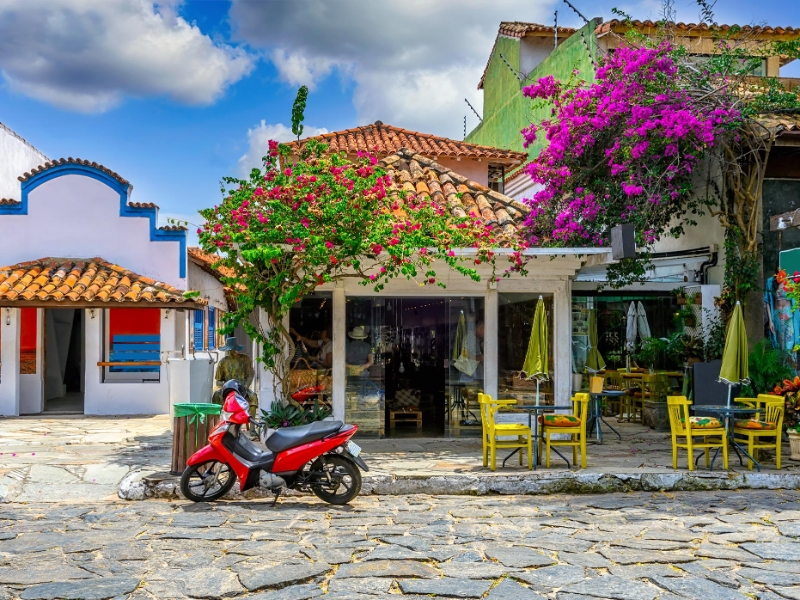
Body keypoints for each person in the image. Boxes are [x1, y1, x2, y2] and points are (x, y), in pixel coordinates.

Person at [212, 337, 259, 435]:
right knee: (216, 396)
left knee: (253, 397)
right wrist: (227, 385)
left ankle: (252, 429)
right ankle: (215, 425)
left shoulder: (245, 360)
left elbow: (250, 374)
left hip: (242, 389)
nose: (231, 352)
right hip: (228, 390)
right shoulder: (223, 362)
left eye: (233, 350)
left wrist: (246, 385)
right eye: (229, 350)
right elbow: (218, 382)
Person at [765, 273, 800, 367]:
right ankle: (780, 373)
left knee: (790, 343)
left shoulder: (791, 282)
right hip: (777, 316)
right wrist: (770, 321)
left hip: (789, 315)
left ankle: (791, 374)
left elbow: (796, 300)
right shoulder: (771, 283)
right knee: (779, 343)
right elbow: (767, 302)